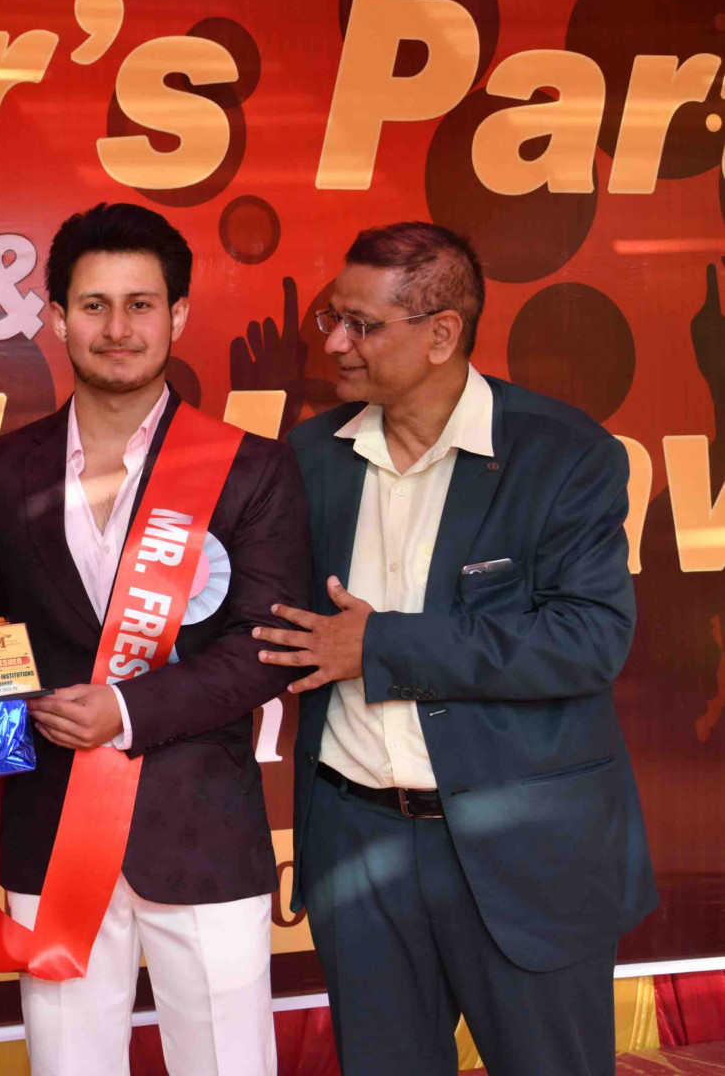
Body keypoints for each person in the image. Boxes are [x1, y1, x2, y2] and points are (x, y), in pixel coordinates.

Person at [0, 202, 310, 1076]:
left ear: (178, 315)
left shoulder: (250, 467)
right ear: (58, 319)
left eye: (141, 305)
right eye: (94, 306)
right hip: (50, 827)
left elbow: (262, 645)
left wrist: (126, 712)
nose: (118, 328)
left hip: (200, 833)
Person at [261, 221, 657, 1076]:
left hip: (526, 851)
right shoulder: (309, 458)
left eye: (362, 325)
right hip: (355, 844)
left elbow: (588, 638)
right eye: (333, 317)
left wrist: (380, 644)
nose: (335, 343)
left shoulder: (563, 454)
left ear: (442, 333)